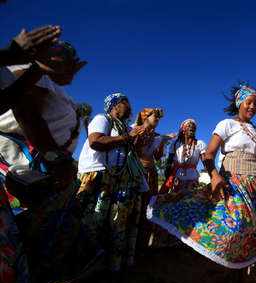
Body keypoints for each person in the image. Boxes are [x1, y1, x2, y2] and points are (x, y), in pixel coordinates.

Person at [147, 82, 256, 270]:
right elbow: (208, 155)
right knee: (235, 226)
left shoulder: (255, 130)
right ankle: (227, 268)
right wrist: (214, 175)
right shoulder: (227, 124)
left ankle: (243, 270)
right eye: (249, 102)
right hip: (235, 181)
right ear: (239, 103)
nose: (253, 107)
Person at [0, 40, 100, 283]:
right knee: (18, 245)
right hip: (24, 170)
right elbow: (26, 109)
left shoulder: (51, 84)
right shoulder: (27, 72)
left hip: (43, 169)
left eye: (70, 54)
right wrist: (55, 158)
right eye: (59, 52)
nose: (67, 58)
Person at [76, 93, 148, 271]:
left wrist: (136, 141)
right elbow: (96, 141)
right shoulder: (103, 119)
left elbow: (128, 154)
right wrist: (127, 137)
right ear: (114, 106)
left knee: (114, 223)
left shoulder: (123, 127)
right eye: (125, 102)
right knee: (93, 221)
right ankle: (83, 266)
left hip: (116, 179)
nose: (129, 106)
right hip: (98, 176)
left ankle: (108, 264)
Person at [133, 108, 175, 250]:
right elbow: (135, 151)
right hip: (137, 173)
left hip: (151, 174)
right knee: (136, 206)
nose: (157, 118)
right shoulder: (135, 130)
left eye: (159, 117)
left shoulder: (157, 136)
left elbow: (157, 157)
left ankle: (143, 245)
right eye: (155, 115)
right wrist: (160, 138)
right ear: (146, 116)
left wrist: (162, 142)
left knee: (147, 207)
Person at [161, 119, 206, 193]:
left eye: (194, 127)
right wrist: (168, 174)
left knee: (191, 200)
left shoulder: (199, 144)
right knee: (176, 199)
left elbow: (205, 162)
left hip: (193, 177)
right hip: (177, 177)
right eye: (189, 126)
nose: (192, 127)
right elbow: (169, 161)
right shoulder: (175, 144)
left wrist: (213, 175)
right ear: (183, 130)